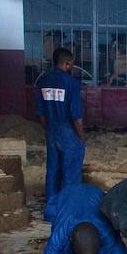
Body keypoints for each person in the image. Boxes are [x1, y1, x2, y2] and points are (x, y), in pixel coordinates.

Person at [37, 47, 86, 206]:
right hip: (69, 132)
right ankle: (68, 209)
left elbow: (40, 113)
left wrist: (49, 129)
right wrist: (81, 136)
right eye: (71, 64)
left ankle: (51, 210)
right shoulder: (72, 84)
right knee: (70, 173)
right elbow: (76, 116)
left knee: (53, 171)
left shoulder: (43, 81)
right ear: (67, 63)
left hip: (51, 130)